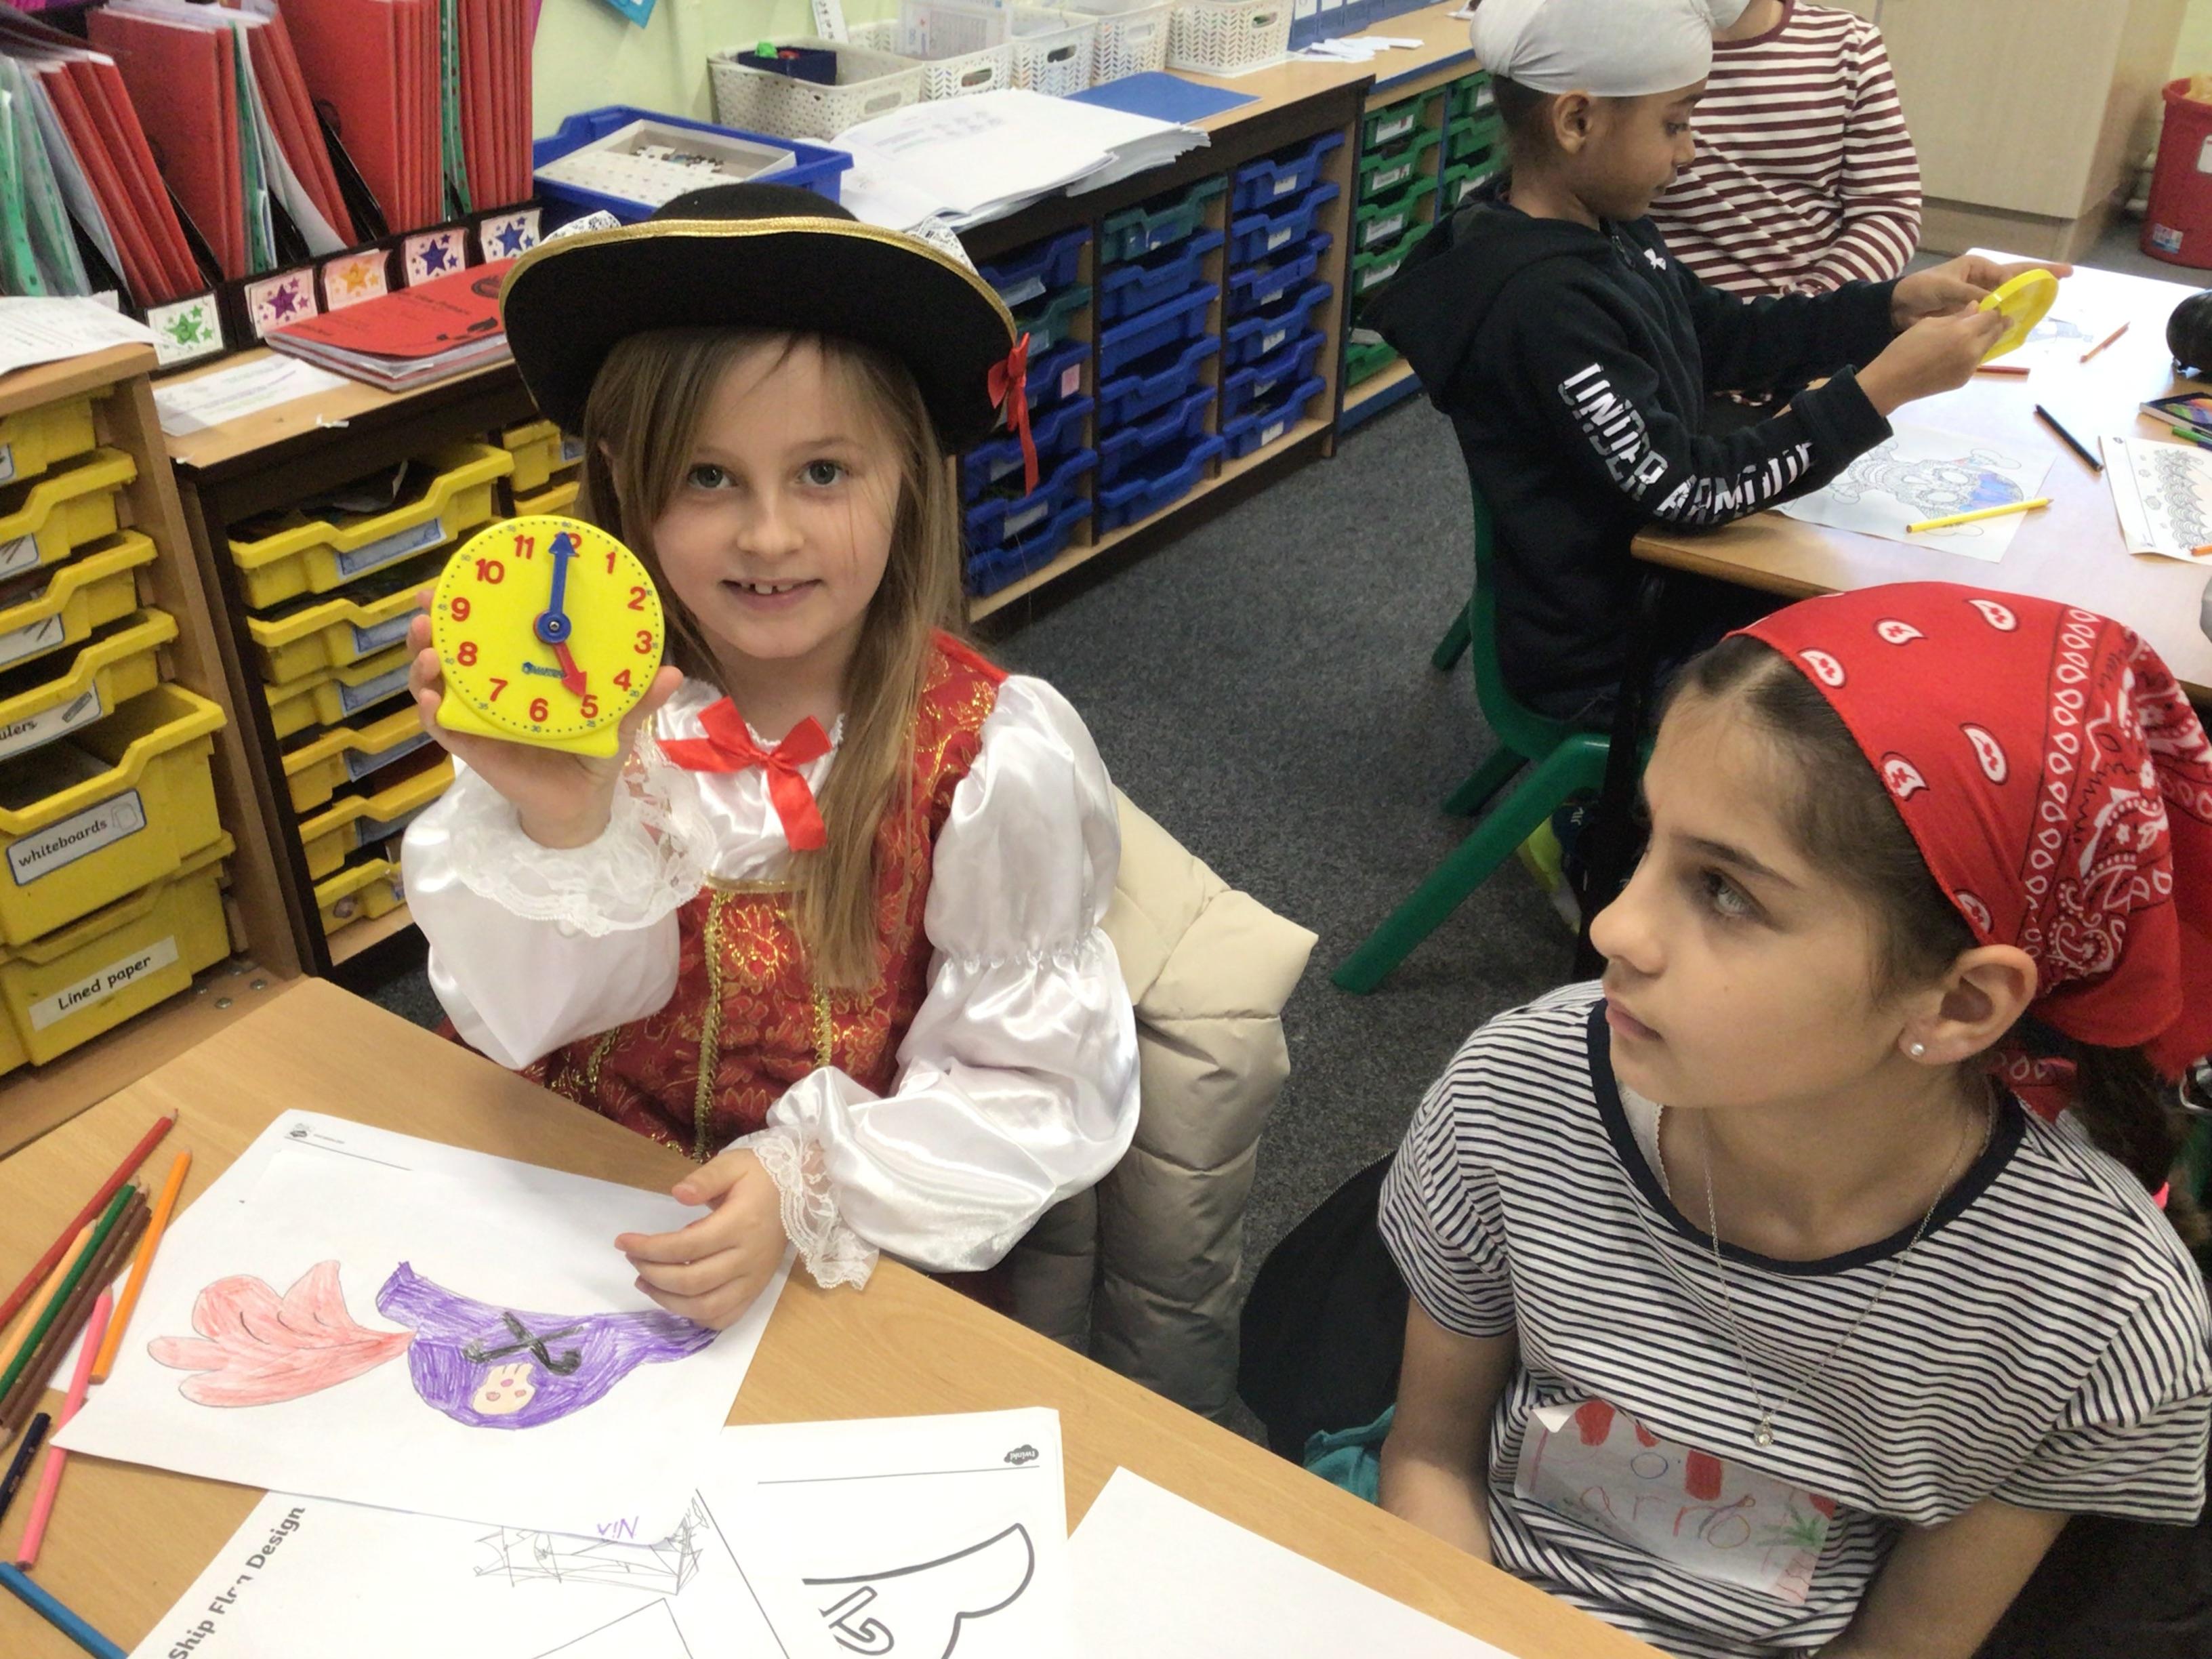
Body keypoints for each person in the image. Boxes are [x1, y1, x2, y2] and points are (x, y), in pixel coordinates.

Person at [1377, 583, 2212, 1658]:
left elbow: (1904, 1646)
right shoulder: (1522, 1095)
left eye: (1725, 891)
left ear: (1961, 1004)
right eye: (1648, 839)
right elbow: (1429, 1459)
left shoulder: (2092, 1315)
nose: (1615, 925)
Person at [401, 184, 1141, 1331]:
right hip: (569, 1203)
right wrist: (564, 825)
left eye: (822, 472)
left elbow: (1030, 1085)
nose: (768, 535)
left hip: (832, 1248)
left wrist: (804, 1182)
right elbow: (517, 1024)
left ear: (909, 475)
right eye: (707, 477)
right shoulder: (581, 711)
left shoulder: (988, 756)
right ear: (623, 478)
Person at [1366, 0, 2051, 725]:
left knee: (1907, 618)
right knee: (1909, 679)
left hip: (1664, 585)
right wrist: (1878, 392)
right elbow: (1688, 492)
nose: (1689, 152)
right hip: (1616, 649)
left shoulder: (1610, 226)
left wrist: (1887, 307)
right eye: (1675, 123)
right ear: (1576, 121)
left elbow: (1722, 335)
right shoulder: (1542, 306)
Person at [1650, 0, 1922, 298]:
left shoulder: (1848, 43)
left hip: (1821, 303)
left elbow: (1888, 209)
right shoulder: (1638, 47)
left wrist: (1811, 305)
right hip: (1669, 308)